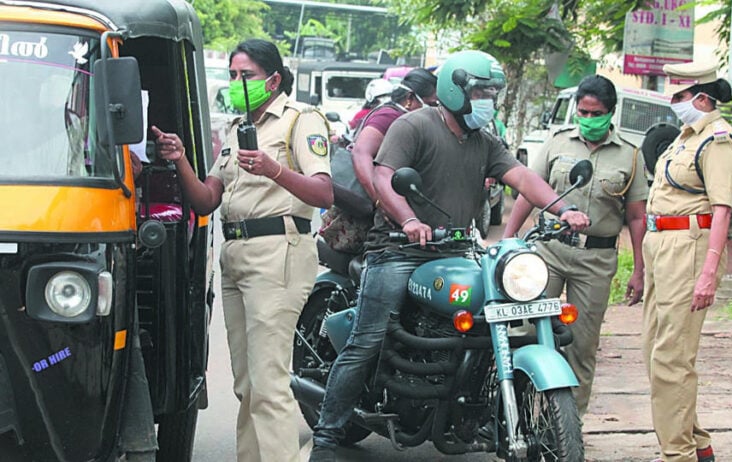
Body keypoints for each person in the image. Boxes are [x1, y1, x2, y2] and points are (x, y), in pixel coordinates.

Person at [308, 50, 590, 462]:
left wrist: (564, 210)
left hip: (457, 248)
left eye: (492, 92)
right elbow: (385, 178)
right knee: (366, 341)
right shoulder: (413, 126)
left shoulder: (484, 141)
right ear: (453, 90)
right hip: (398, 250)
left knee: (490, 314)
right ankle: (327, 437)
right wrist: (407, 220)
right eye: (480, 91)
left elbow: (524, 178)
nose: (487, 99)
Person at [153, 38, 333, 462]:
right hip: (236, 256)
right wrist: (179, 158)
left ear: (272, 79)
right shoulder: (236, 129)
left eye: (245, 75)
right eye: (233, 75)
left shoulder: (300, 120)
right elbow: (205, 200)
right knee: (246, 384)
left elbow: (324, 192)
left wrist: (273, 168)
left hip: (279, 253)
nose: (237, 82)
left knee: (269, 383)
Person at [501, 74, 648, 417]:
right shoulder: (558, 142)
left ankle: (569, 426)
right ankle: (517, 416)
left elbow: (637, 217)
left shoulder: (630, 155)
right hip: (548, 253)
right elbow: (528, 189)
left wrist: (639, 269)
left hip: (595, 259)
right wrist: (509, 237)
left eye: (595, 113)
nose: (588, 119)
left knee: (581, 344)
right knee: (524, 330)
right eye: (582, 111)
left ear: (611, 113)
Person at [643, 61, 732, 462]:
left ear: (702, 97)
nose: (674, 102)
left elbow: (722, 210)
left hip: (690, 248)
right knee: (656, 352)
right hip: (663, 247)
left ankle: (678, 454)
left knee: (672, 358)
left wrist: (708, 273)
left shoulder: (718, 140)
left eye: (680, 96)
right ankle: (697, 443)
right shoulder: (684, 137)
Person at [351, 68, 438, 205]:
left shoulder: (409, 120)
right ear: (409, 99)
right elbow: (361, 153)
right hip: (364, 208)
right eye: (431, 104)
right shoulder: (389, 117)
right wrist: (381, 201)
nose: (433, 110)